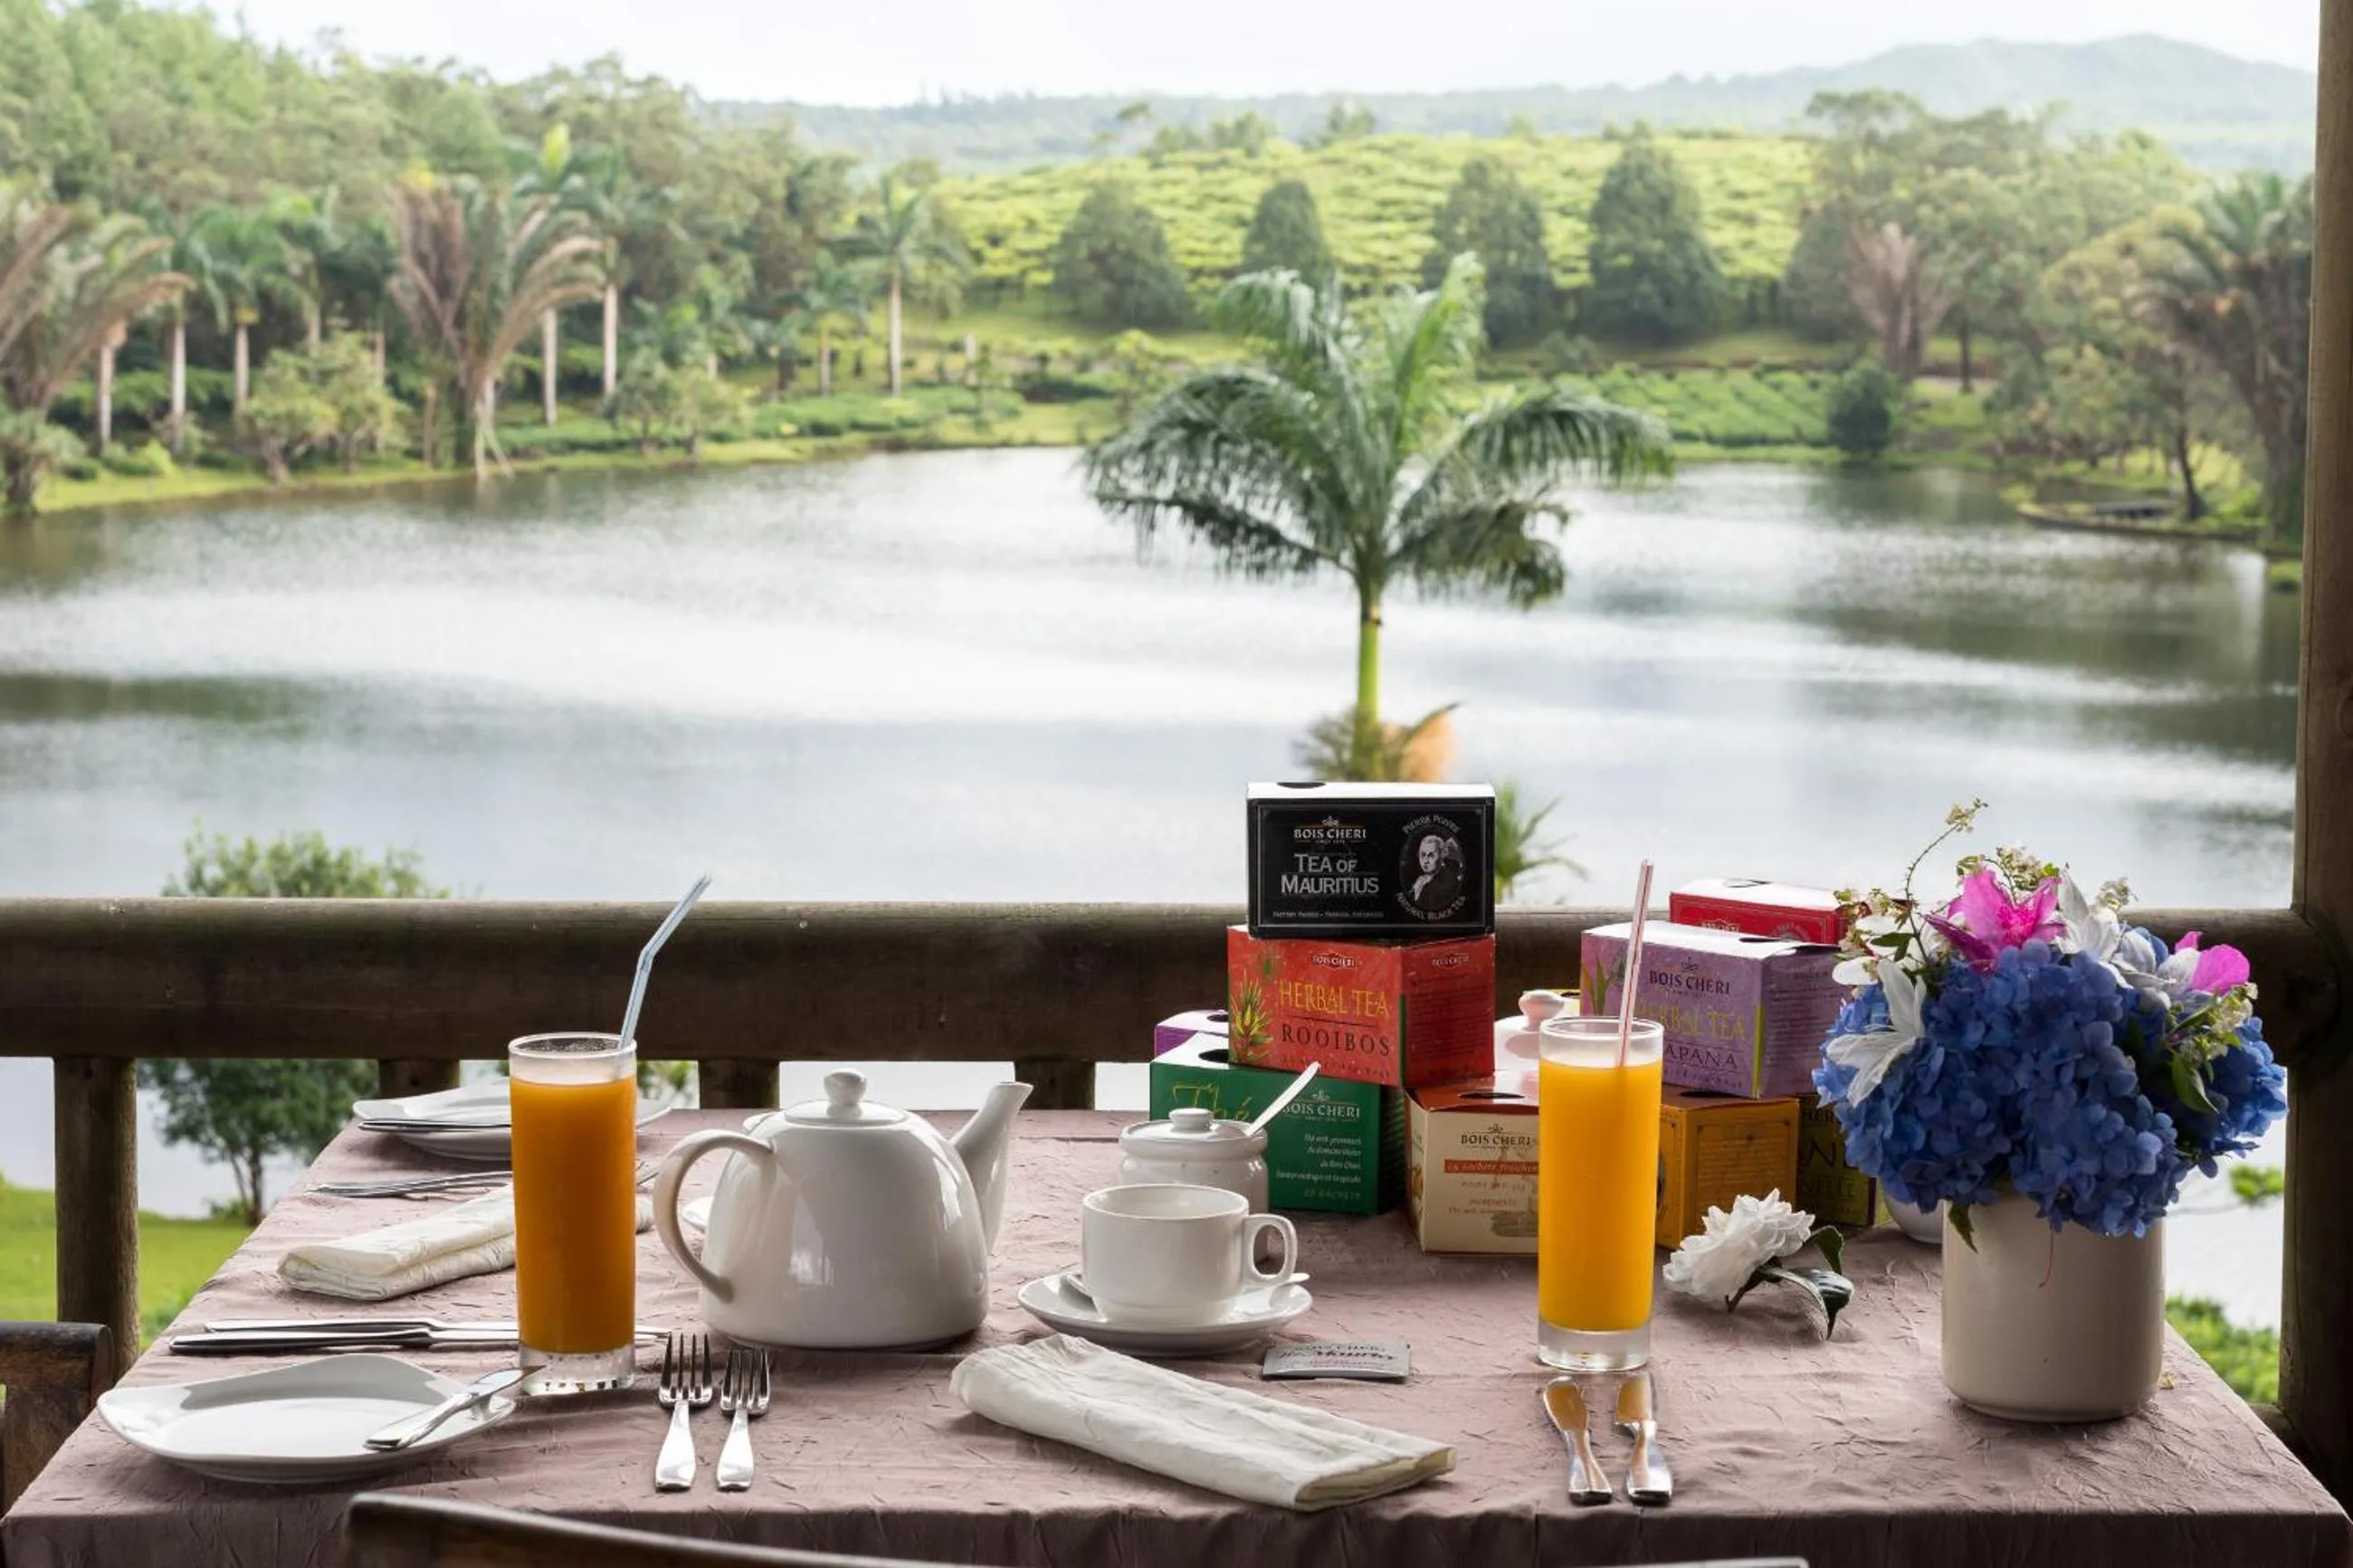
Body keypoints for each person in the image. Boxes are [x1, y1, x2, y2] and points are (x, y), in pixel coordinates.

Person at [1407, 832, 1466, 917]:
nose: (1425, 860)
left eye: (1431, 855)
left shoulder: (1448, 882)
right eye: (1423, 855)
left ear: (1441, 855)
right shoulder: (1421, 880)